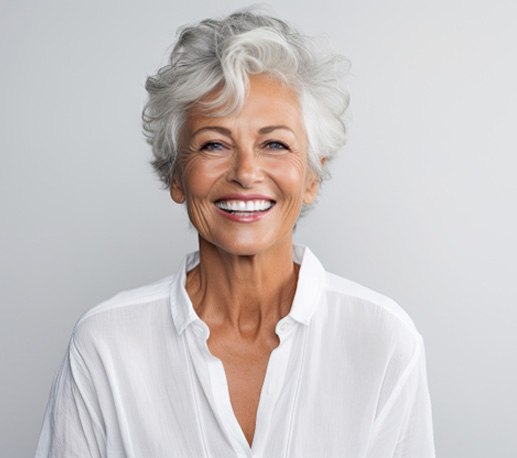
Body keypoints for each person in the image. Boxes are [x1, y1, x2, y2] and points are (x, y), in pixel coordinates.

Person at [36, 10, 435, 458]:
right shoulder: (105, 344)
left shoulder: (383, 340)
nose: (246, 173)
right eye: (214, 144)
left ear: (311, 178)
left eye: (275, 144)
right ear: (176, 176)